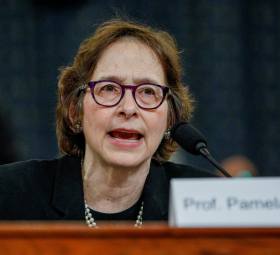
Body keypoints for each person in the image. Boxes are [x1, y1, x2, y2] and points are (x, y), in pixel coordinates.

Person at [0, 19, 216, 225]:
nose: (128, 109)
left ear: (170, 117)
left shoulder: (208, 199)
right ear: (75, 110)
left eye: (148, 92)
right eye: (109, 89)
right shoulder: (11, 193)